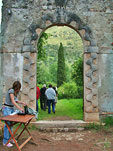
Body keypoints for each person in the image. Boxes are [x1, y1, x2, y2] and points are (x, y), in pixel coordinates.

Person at [2, 81, 27, 147]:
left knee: (11, 125)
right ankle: (5, 141)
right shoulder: (11, 91)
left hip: (11, 109)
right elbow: (13, 101)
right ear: (16, 87)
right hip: (7, 109)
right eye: (18, 88)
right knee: (7, 125)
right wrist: (20, 108)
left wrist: (22, 103)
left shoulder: (15, 92)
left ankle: (11, 139)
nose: (19, 89)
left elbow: (16, 100)